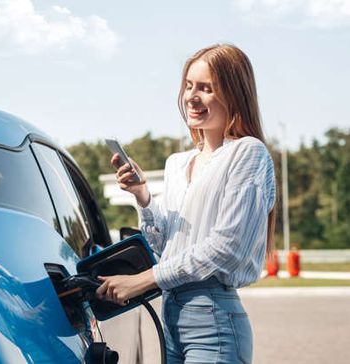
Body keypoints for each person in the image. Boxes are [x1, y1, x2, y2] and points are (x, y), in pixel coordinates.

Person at [96, 44, 276, 364]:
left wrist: (142, 280)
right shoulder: (177, 163)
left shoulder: (247, 153)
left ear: (234, 94)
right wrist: (143, 197)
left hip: (213, 322)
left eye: (206, 88)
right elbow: (164, 246)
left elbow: (227, 246)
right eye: (189, 86)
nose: (192, 96)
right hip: (172, 320)